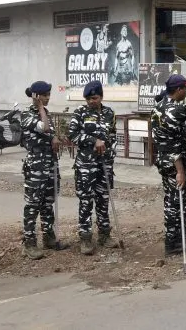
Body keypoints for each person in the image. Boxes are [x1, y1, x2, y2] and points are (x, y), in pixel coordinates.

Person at [20, 81, 69, 261]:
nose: (47, 98)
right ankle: (29, 243)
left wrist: (55, 137)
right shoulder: (26, 114)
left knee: (48, 203)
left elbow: (50, 132)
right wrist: (40, 107)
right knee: (33, 205)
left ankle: (49, 238)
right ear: (35, 96)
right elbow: (45, 127)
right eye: (44, 95)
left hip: (49, 163)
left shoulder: (45, 113)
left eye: (49, 95)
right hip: (36, 165)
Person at [67, 81, 117, 255]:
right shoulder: (79, 113)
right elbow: (72, 134)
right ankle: (86, 238)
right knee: (86, 200)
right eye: (88, 99)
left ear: (101, 97)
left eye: (94, 98)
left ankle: (105, 234)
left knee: (103, 199)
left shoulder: (109, 113)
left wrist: (109, 149)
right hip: (86, 165)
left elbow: (112, 134)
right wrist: (92, 140)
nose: (91, 101)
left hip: (104, 164)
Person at [152, 74, 186, 257]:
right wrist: (180, 170)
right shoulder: (172, 111)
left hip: (168, 160)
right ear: (178, 90)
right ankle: (173, 243)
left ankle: (179, 235)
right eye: (185, 88)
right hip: (173, 163)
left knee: (179, 200)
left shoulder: (161, 106)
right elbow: (171, 146)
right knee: (174, 202)